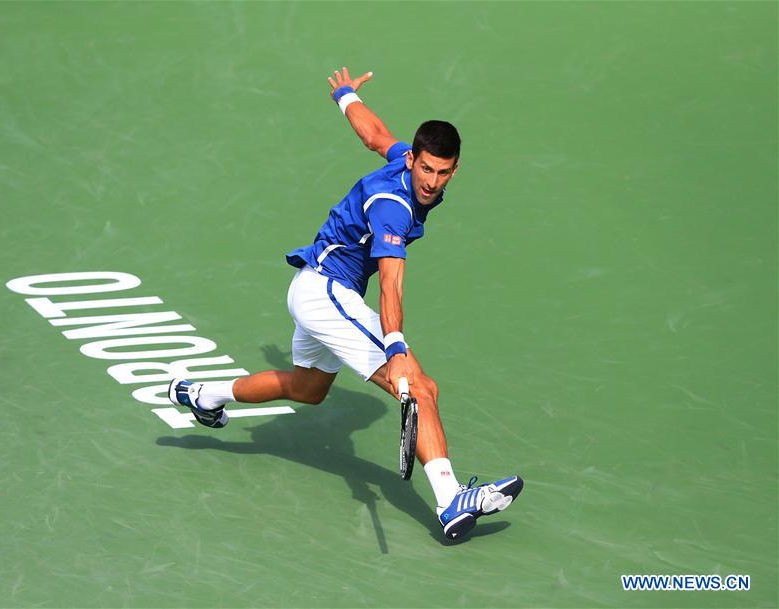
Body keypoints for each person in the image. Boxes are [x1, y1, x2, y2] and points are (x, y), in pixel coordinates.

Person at [169, 67, 523, 540]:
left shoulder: (406, 162)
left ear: (453, 168)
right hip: (326, 295)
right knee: (421, 387)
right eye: (425, 169)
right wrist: (394, 348)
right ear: (415, 161)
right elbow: (391, 286)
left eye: (442, 172)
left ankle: (201, 395)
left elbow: (376, 136)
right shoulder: (392, 207)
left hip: (316, 288)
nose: (432, 182)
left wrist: (345, 95)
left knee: (307, 388)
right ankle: (449, 499)